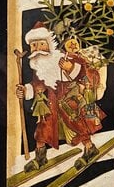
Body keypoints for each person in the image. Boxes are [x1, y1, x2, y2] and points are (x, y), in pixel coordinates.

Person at [16, 21, 105, 171]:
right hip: (50, 102)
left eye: (41, 44)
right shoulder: (38, 66)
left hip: (69, 100)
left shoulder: (63, 57)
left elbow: (83, 72)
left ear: (49, 44)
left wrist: (71, 68)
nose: (37, 49)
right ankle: (40, 157)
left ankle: (90, 148)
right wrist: (25, 90)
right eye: (33, 45)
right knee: (43, 128)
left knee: (77, 125)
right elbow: (38, 84)